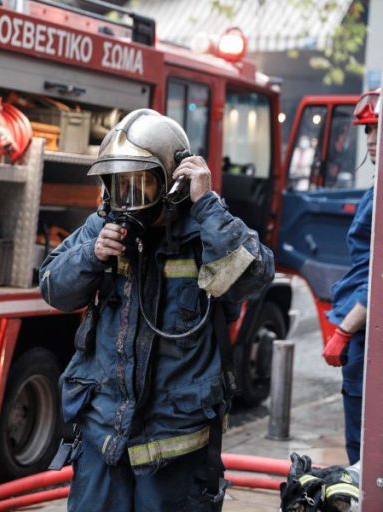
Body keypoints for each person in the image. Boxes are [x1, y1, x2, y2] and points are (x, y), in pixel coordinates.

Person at [39, 109, 274, 511]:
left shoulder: (206, 232)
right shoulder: (104, 229)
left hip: (173, 450)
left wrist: (207, 206)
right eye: (118, 184)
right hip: (103, 439)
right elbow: (53, 289)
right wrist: (91, 257)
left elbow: (254, 276)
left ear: (173, 181)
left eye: (140, 184)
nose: (126, 199)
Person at [322, 88, 381, 465]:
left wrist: (345, 330)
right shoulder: (376, 191)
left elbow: (379, 275)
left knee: (365, 454)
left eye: (378, 129)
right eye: (368, 131)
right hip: (367, 333)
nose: (372, 140)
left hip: (370, 336)